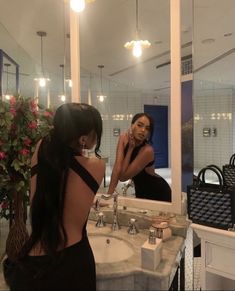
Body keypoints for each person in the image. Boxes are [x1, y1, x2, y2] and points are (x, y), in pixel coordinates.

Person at [3, 103, 105, 291]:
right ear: (83, 138)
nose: (97, 137)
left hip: (31, 263)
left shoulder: (41, 150)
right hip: (72, 264)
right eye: (95, 133)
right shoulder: (97, 167)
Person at [107, 112, 171, 202]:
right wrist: (108, 196)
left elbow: (123, 177)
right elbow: (117, 168)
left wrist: (130, 149)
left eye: (147, 128)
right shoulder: (123, 138)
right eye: (139, 125)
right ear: (132, 125)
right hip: (140, 190)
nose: (143, 130)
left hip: (157, 192)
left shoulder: (147, 151)